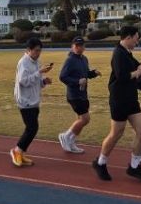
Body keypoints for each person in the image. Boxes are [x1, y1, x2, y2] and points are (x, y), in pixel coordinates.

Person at [92, 26, 141, 182]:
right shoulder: (118, 53)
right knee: (116, 133)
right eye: (136, 38)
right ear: (128, 37)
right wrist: (137, 72)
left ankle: (134, 166)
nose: (138, 41)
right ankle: (100, 163)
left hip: (131, 99)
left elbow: (138, 66)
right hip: (119, 99)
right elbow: (121, 76)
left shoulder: (127, 53)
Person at [10, 38, 53, 167]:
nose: (38, 53)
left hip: (34, 99)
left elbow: (36, 81)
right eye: (36, 50)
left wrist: (44, 81)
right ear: (28, 50)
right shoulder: (23, 62)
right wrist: (39, 72)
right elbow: (23, 81)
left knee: (32, 128)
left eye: (40, 50)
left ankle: (21, 152)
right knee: (32, 128)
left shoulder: (36, 62)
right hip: (25, 100)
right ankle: (17, 151)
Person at [58, 36, 100, 154]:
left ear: (84, 47)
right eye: (76, 45)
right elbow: (62, 77)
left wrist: (93, 73)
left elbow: (86, 73)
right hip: (74, 95)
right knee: (85, 119)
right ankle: (65, 136)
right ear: (72, 46)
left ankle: (71, 142)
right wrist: (77, 82)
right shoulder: (70, 60)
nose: (78, 47)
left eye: (81, 45)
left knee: (81, 120)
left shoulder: (84, 59)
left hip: (83, 94)